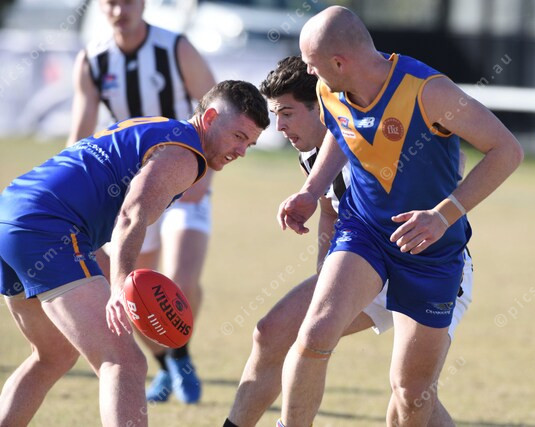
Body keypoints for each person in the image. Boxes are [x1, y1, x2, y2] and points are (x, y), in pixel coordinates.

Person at [276, 6, 523, 425]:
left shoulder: (428, 91)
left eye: (313, 65)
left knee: (411, 393)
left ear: (340, 62)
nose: (310, 74)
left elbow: (507, 151)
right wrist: (311, 191)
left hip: (431, 252)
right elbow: (339, 128)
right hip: (364, 232)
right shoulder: (328, 89)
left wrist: (442, 216)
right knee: (315, 334)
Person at [0, 80, 269, 427]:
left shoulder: (161, 129)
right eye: (238, 136)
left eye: (250, 143)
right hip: (47, 229)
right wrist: (119, 286)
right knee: (124, 362)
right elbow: (131, 214)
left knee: (53, 354)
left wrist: (112, 274)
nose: (242, 151)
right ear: (211, 117)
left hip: (12, 215)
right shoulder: (185, 153)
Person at [223, 56, 473, 427]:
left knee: (411, 396)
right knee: (272, 332)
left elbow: (454, 156)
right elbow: (329, 210)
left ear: (320, 107)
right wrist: (326, 271)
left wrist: (440, 203)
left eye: (287, 114)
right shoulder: (311, 154)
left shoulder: (370, 132)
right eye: (276, 115)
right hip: (366, 263)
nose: (280, 127)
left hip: (428, 265)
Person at [67, 0, 216, 402]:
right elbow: (79, 134)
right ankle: (173, 363)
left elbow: (217, 109)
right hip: (128, 192)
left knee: (181, 280)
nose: (121, 9)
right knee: (134, 287)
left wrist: (206, 174)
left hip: (185, 177)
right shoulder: (93, 60)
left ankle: (177, 358)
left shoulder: (176, 48)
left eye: (129, 0)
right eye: (111, 2)